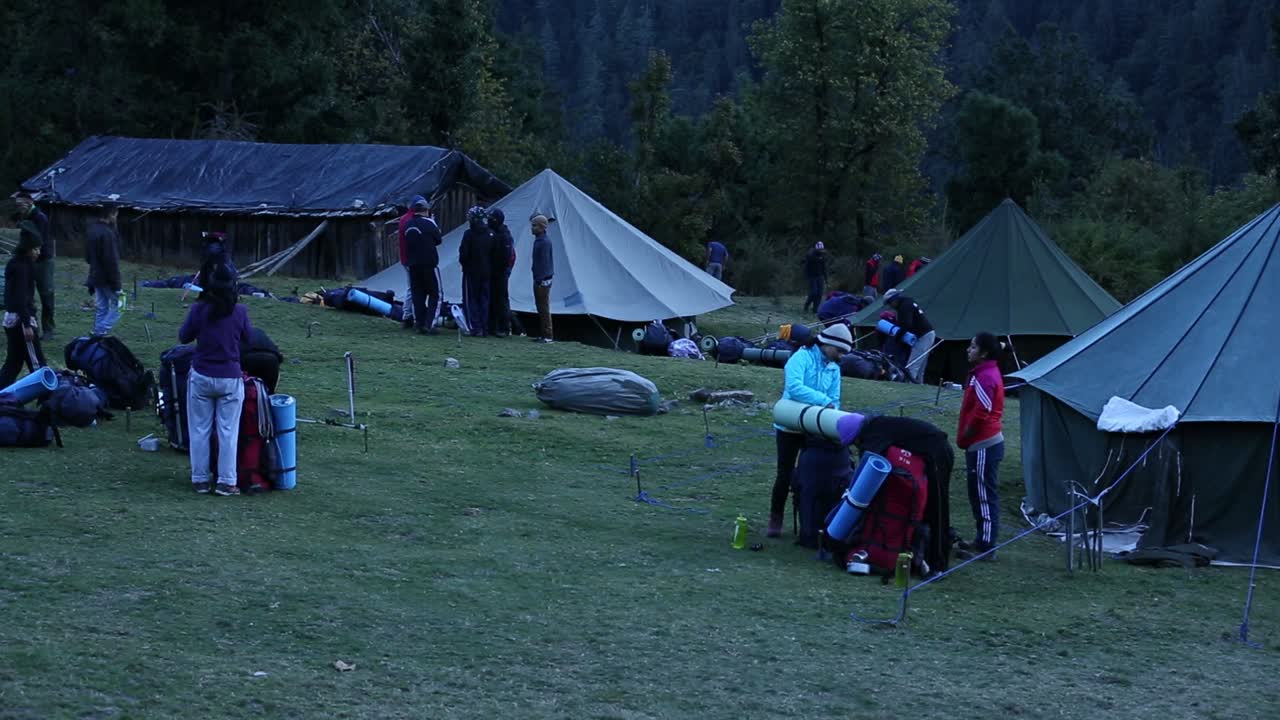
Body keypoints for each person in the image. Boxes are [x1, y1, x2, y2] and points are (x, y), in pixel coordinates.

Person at [837, 411, 956, 574]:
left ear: (857, 436)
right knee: (928, 508)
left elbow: (867, 475)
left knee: (937, 509)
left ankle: (938, 564)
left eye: (853, 443)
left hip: (937, 453)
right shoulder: (879, 426)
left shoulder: (873, 437)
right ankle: (927, 556)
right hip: (934, 449)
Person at [768, 323, 853, 537]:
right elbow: (794, 388)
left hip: (814, 427)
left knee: (809, 475)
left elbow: (835, 400)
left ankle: (807, 518)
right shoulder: (801, 357)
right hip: (789, 423)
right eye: (840, 351)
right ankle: (775, 518)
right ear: (829, 345)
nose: (841, 356)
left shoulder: (834, 368)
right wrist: (824, 402)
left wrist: (830, 419)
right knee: (784, 474)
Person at [178, 264, 253, 496]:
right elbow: (249, 338)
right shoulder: (239, 311)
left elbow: (183, 337)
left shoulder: (199, 309)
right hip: (230, 377)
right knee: (228, 431)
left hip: (202, 375)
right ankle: (226, 481)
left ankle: (200, 479)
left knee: (199, 429)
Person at [955, 332, 1006, 561]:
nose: (968, 350)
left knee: (984, 495)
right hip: (979, 444)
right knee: (977, 493)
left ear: (984, 353)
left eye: (973, 347)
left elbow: (982, 413)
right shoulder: (981, 373)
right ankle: (981, 539)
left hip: (984, 444)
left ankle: (986, 546)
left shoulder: (985, 377)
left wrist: (967, 434)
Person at [1, 230, 47, 389]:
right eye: (35, 249)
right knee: (37, 363)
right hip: (21, 321)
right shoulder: (22, 268)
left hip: (12, 318)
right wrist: (27, 324)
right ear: (26, 249)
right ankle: (47, 399)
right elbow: (21, 298)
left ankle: (1, 392)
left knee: (13, 363)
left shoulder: (18, 264)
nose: (38, 252)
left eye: (39, 248)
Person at [15, 192, 54, 339]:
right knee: (28, 295)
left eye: (20, 204)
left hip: (43, 260)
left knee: (46, 294)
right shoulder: (25, 216)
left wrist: (33, 254)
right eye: (17, 205)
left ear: (29, 202)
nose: (18, 208)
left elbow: (39, 240)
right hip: (29, 259)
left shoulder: (39, 217)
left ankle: (48, 329)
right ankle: (32, 325)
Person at [403, 198, 443, 335]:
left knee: (417, 294)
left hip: (413, 264)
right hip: (429, 263)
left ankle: (419, 322)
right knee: (435, 294)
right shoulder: (429, 223)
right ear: (426, 210)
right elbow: (438, 239)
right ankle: (429, 323)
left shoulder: (408, 225)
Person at [882, 288, 935, 383]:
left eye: (890, 303)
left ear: (894, 300)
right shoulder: (908, 302)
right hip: (928, 334)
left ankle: (908, 385)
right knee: (920, 366)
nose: (890, 306)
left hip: (923, 336)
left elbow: (906, 324)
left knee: (913, 365)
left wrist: (897, 336)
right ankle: (919, 386)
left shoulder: (904, 306)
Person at [85, 204, 122, 337]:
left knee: (102, 306)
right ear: (111, 215)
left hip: (95, 275)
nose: (116, 219)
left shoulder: (92, 230)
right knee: (121, 304)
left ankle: (97, 334)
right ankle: (100, 329)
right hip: (107, 277)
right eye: (116, 216)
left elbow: (88, 257)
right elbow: (111, 261)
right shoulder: (107, 234)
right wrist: (117, 284)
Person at [459, 206, 496, 337]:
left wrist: (465, 265)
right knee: (484, 299)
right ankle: (484, 327)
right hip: (486, 271)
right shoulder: (491, 234)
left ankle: (475, 326)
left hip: (471, 271)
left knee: (471, 299)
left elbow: (463, 254)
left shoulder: (469, 234)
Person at [487, 207, 515, 338]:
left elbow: (506, 256)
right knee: (493, 299)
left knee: (501, 299)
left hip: (500, 272)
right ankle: (492, 326)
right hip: (494, 271)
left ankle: (504, 327)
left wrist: (500, 269)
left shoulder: (504, 235)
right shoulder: (495, 233)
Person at [397, 196, 424, 330]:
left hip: (406, 258)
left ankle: (409, 315)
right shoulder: (412, 221)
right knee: (413, 288)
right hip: (412, 259)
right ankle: (409, 315)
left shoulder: (403, 219)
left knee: (412, 287)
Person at [530, 213, 555, 343]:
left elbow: (544, 262)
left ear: (541, 227)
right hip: (540, 278)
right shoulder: (539, 240)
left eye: (534, 226)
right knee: (541, 307)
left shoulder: (544, 242)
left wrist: (540, 279)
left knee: (544, 307)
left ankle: (548, 335)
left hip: (543, 280)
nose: (532, 228)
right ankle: (544, 333)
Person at [802, 242, 829, 314]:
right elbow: (806, 266)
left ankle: (815, 309)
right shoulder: (810, 255)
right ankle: (806, 305)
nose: (821, 251)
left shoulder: (822, 256)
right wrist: (806, 275)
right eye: (820, 250)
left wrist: (826, 279)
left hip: (820, 276)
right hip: (812, 276)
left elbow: (824, 268)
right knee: (813, 292)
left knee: (819, 294)